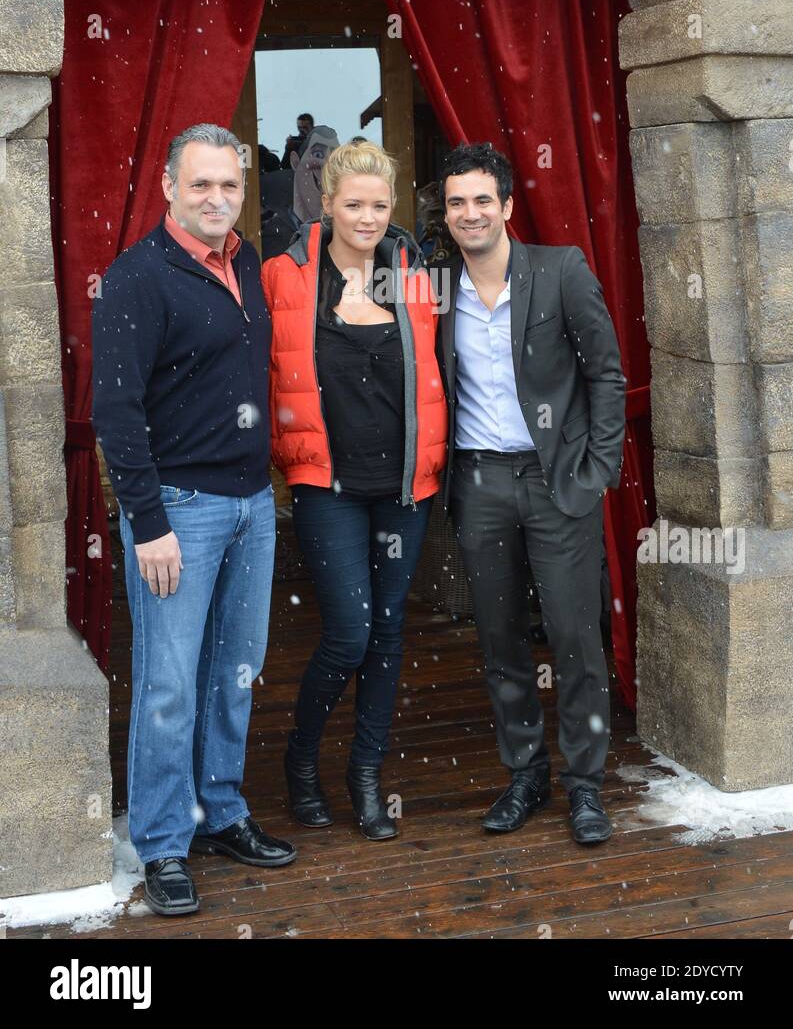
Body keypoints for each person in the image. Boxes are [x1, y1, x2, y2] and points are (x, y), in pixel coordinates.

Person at [92, 123, 296, 918]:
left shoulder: (243, 260)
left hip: (251, 504)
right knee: (169, 686)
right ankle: (164, 841)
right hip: (177, 508)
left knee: (234, 672)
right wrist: (146, 523)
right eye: (201, 185)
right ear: (170, 188)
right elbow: (116, 409)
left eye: (230, 185)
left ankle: (220, 810)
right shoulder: (138, 276)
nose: (217, 199)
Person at [435, 142, 626, 845]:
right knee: (500, 639)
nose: (470, 213)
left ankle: (584, 785)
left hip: (557, 483)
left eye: (482, 199)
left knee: (576, 638)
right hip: (478, 481)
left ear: (507, 205)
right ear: (445, 212)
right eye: (456, 201)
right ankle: (524, 774)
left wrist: (596, 470)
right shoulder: (435, 287)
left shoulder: (559, 270)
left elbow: (605, 374)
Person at [261, 141, 448, 840]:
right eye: (353, 204)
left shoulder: (414, 276)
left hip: (404, 486)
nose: (366, 217)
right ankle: (301, 760)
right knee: (347, 632)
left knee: (389, 632)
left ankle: (365, 774)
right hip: (326, 483)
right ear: (327, 203)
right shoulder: (285, 275)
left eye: (379, 205)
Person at [261, 124, 339, 260]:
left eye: (335, 158)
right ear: (295, 161)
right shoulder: (273, 233)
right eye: (318, 154)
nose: (327, 164)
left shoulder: (342, 233)